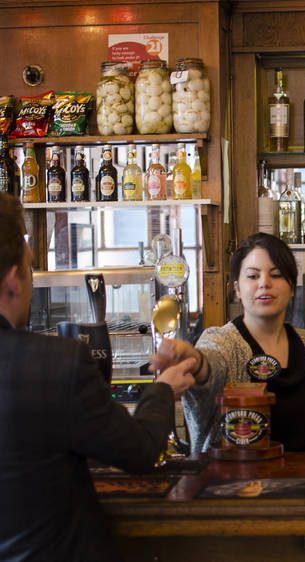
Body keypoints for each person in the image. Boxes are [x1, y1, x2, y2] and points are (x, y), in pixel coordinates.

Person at [0, 192, 196, 562]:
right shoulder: (54, 363)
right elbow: (139, 452)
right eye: (29, 267)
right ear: (13, 280)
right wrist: (163, 390)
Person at [153, 233, 305, 454]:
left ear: (291, 287)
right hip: (233, 484)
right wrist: (194, 361)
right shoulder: (222, 341)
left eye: (277, 275)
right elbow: (210, 365)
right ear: (237, 289)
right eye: (252, 276)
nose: (265, 283)